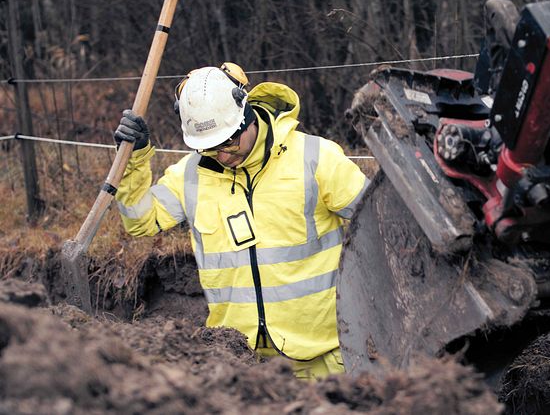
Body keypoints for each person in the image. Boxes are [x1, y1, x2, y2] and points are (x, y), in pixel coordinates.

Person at [113, 63, 369, 380]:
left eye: (229, 142)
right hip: (238, 365)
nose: (222, 155)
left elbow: (378, 223)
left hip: (326, 362)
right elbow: (139, 220)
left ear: (246, 115)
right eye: (209, 147)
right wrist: (133, 159)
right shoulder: (190, 175)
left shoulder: (316, 158)